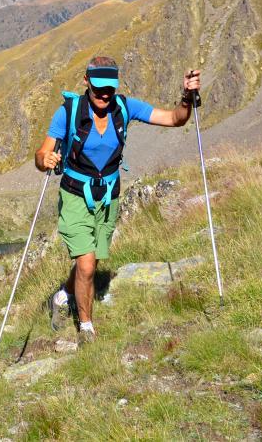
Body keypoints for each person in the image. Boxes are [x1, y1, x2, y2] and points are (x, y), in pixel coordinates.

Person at [34, 57, 201, 343]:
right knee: (87, 264)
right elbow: (41, 155)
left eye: (109, 89)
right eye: (98, 88)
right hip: (75, 195)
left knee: (93, 259)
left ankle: (63, 296)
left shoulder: (124, 107)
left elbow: (175, 119)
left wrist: (187, 96)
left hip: (109, 196)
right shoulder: (68, 112)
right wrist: (45, 160)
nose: (104, 95)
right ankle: (86, 328)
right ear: (86, 82)